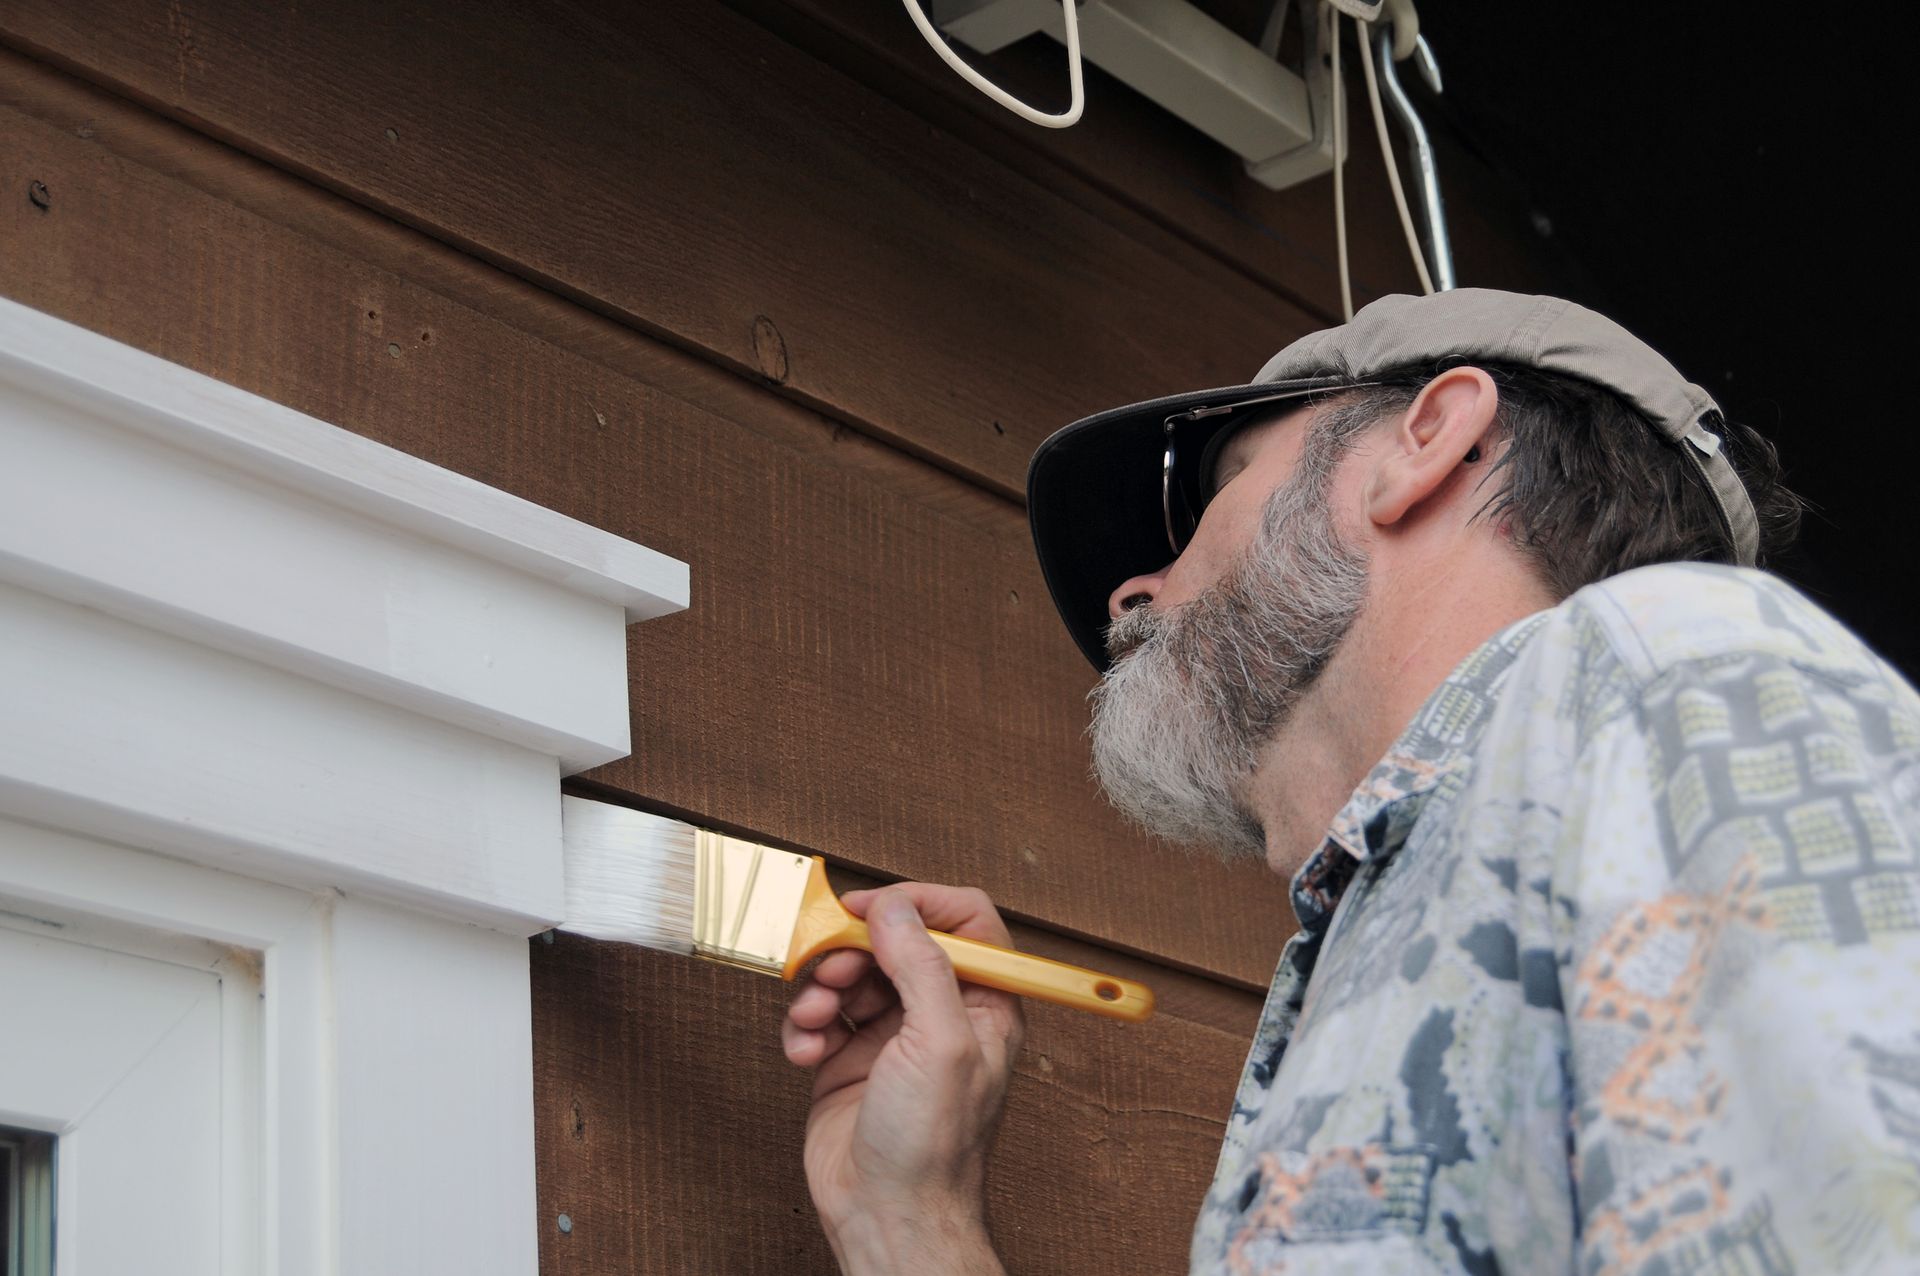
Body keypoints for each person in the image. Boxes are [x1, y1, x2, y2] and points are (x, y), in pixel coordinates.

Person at [780, 289, 1920, 1274]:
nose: (1134, 590)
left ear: (1427, 440)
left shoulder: (1678, 674)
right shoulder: (1394, 920)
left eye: (1211, 490)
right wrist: (908, 1219)